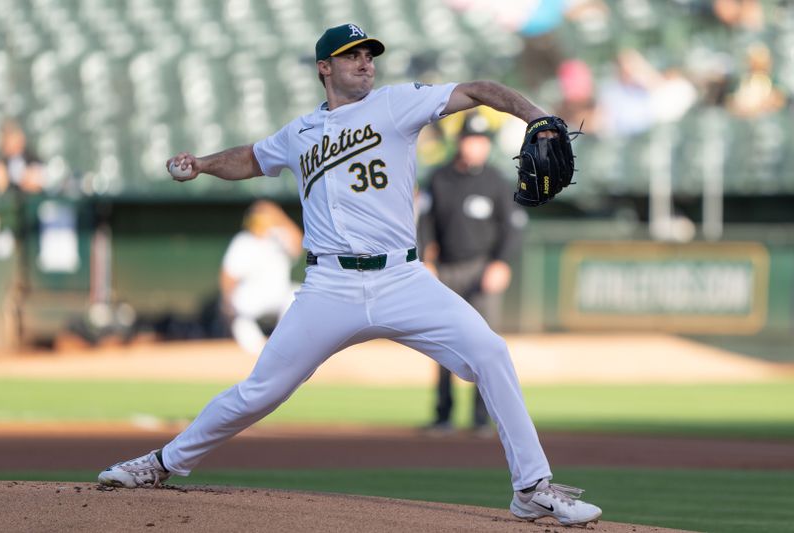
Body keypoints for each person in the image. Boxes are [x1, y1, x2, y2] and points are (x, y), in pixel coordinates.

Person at [97, 23, 602, 526]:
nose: (365, 62)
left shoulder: (396, 103)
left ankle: (532, 488)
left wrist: (537, 115)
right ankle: (161, 463)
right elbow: (251, 158)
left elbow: (479, 90)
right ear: (324, 67)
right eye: (351, 55)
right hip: (329, 288)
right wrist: (203, 163)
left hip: (402, 279)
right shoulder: (299, 134)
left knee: (490, 352)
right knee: (260, 391)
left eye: (369, 54)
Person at [419, 112, 524, 437]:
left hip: (481, 268)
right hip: (447, 269)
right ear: (459, 141)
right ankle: (443, 416)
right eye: (469, 139)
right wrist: (425, 260)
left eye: (479, 140)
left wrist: (501, 263)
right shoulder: (438, 178)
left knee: (483, 346)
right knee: (443, 345)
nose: (474, 146)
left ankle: (481, 419)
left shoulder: (495, 180)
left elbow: (514, 227)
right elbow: (422, 222)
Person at [220, 200, 303, 355]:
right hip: (253, 296)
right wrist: (227, 299)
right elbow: (229, 274)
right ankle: (257, 352)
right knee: (237, 308)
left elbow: (298, 245)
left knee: (298, 294)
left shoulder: (279, 236)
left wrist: (278, 214)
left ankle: (282, 344)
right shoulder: (243, 241)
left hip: (278, 293)